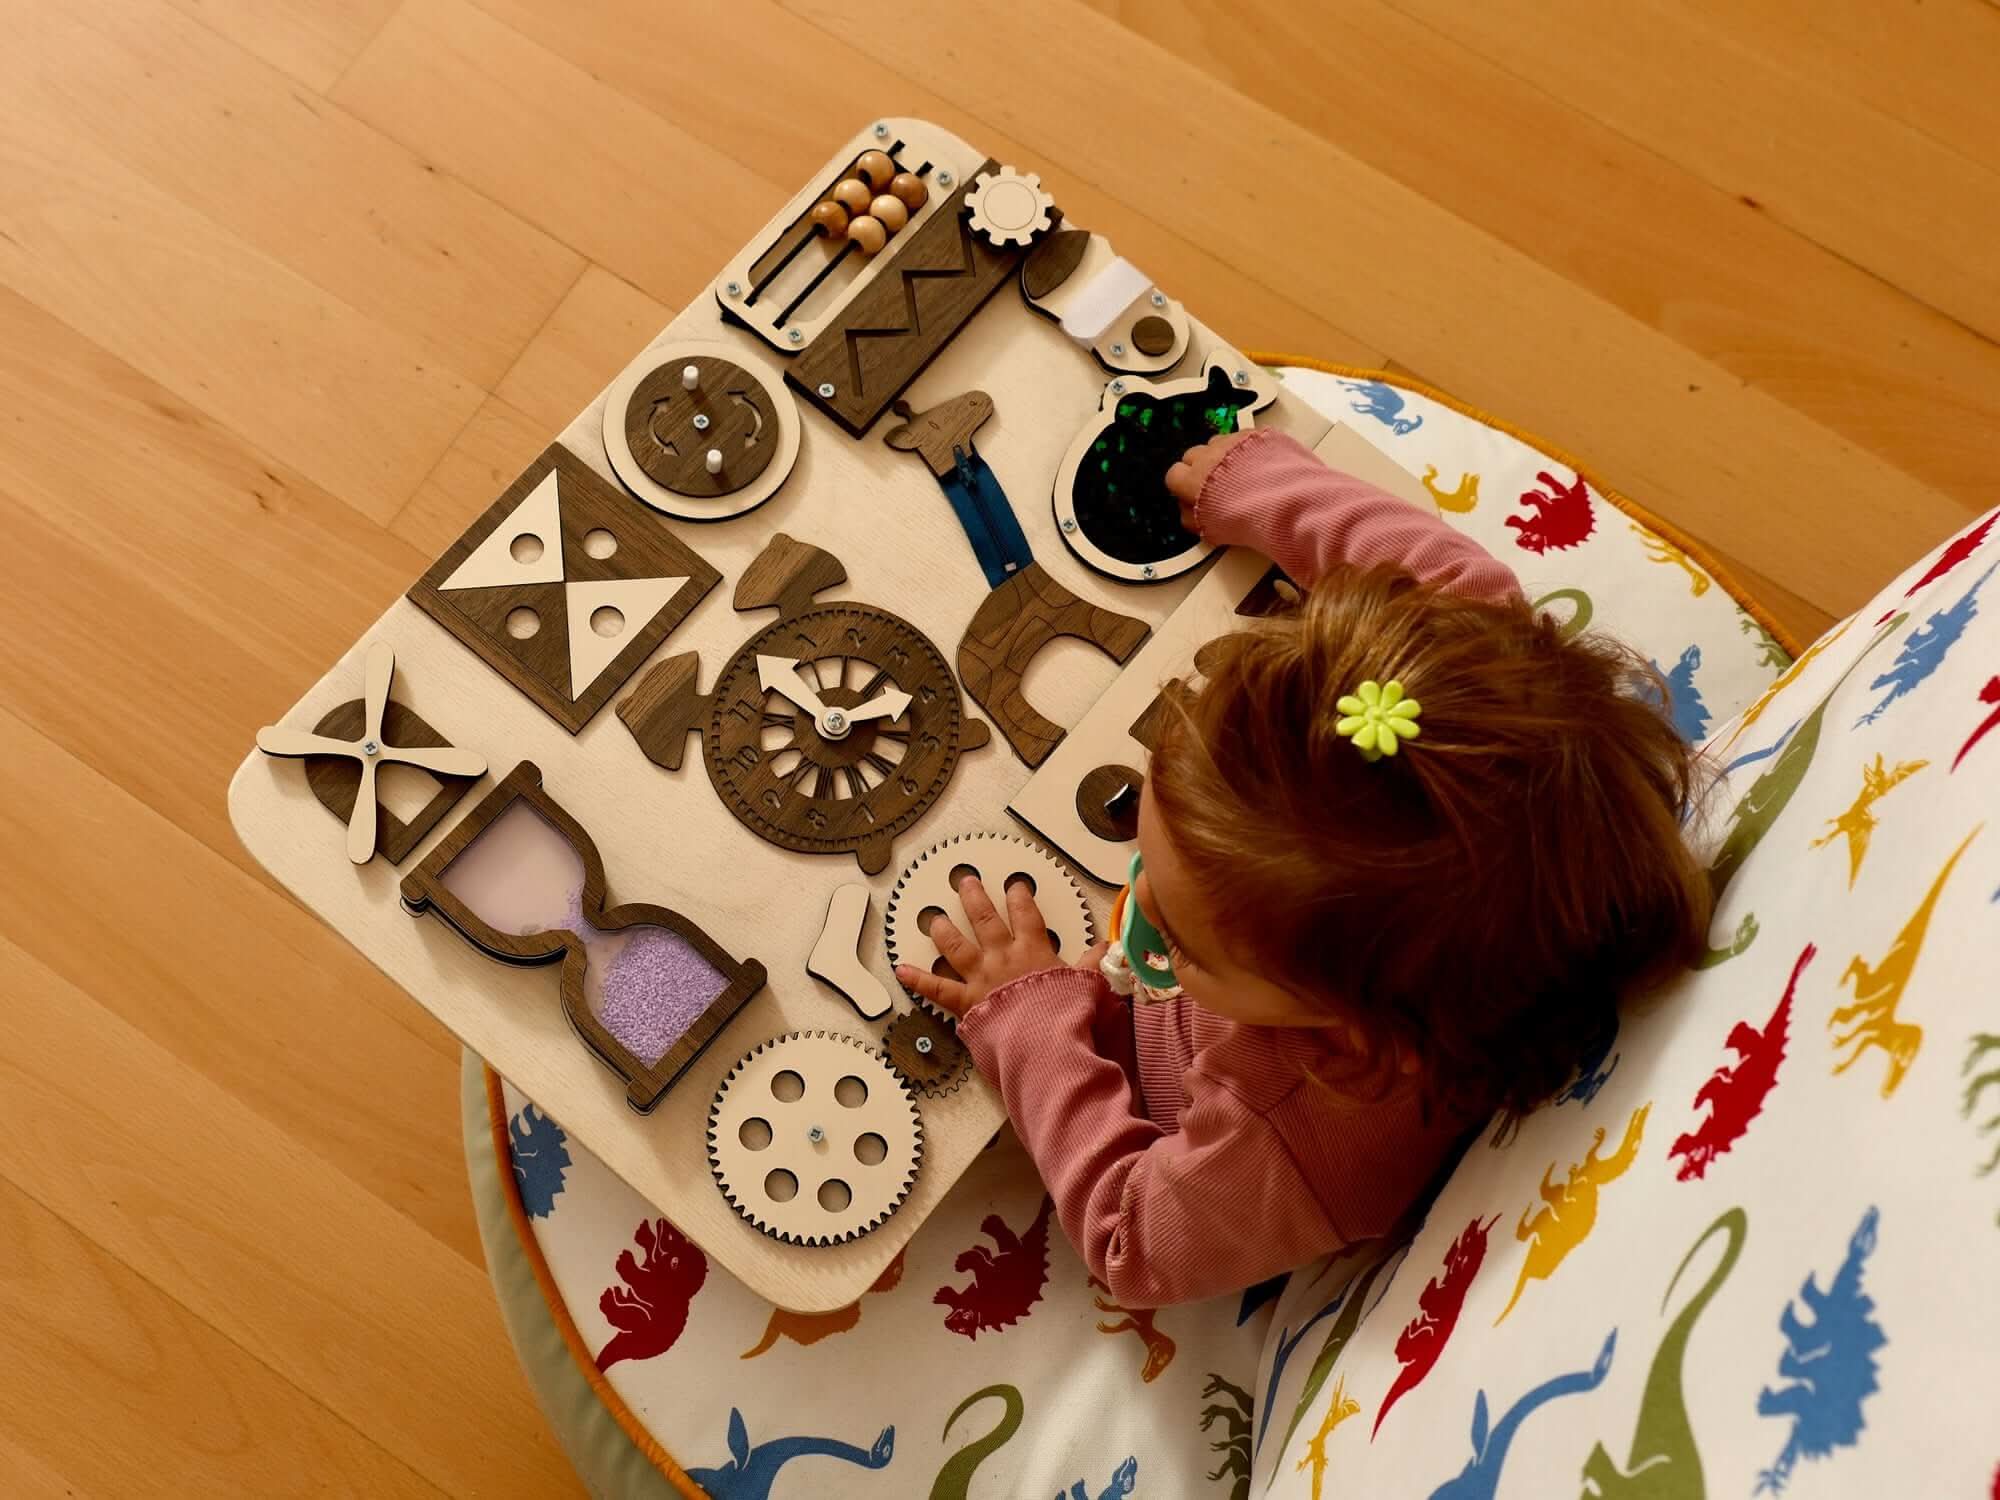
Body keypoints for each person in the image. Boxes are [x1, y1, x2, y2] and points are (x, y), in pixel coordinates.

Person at [895, 428, 1710, 1306]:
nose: (1140, 905)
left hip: (1141, 1053)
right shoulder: (1476, 677)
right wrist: (1260, 485)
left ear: (1346, 1027)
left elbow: (1130, 1244)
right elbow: (1410, 565)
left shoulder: (1290, 1128)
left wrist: (1035, 1023)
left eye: (1183, 942)